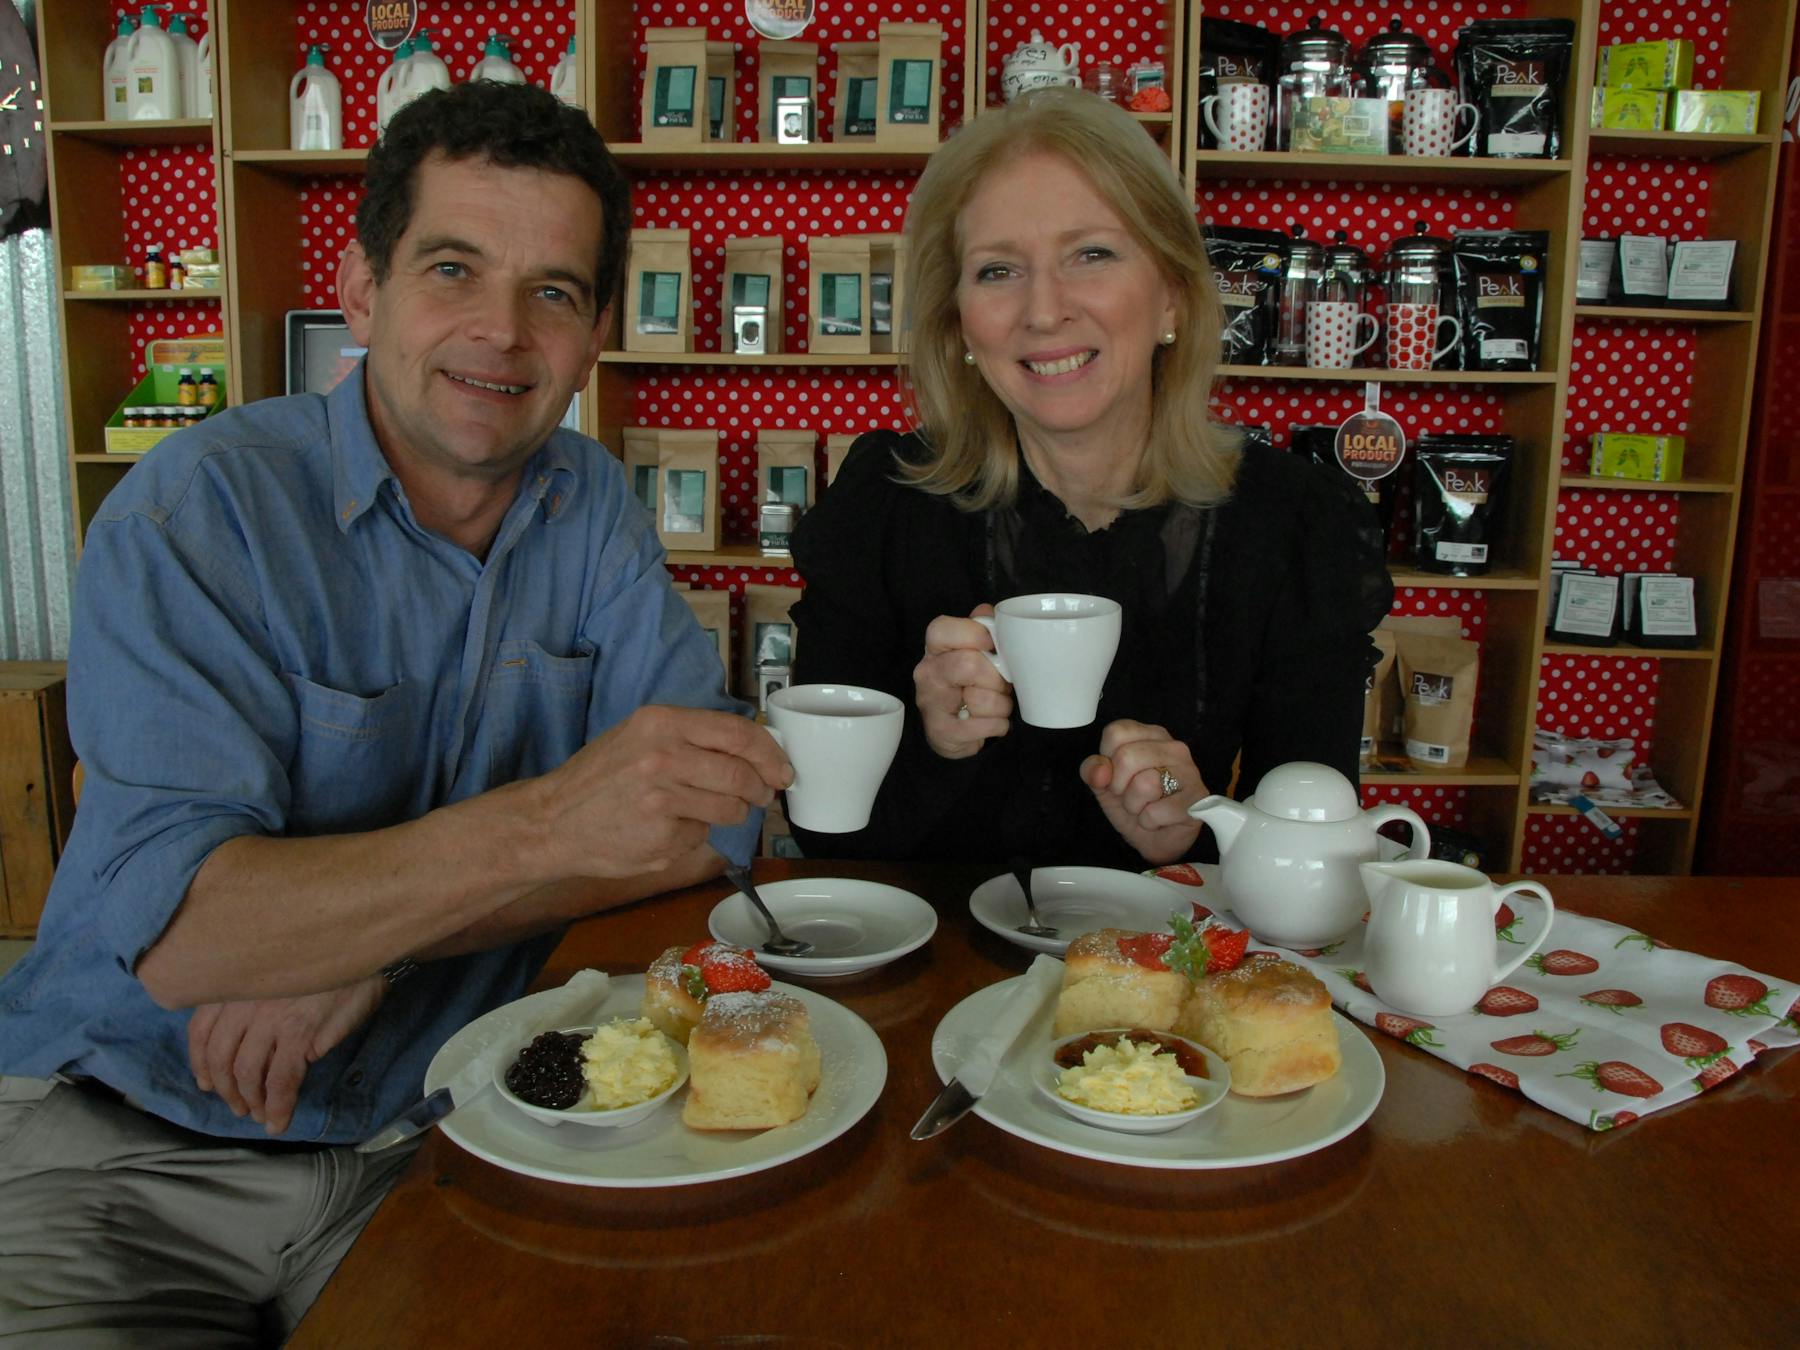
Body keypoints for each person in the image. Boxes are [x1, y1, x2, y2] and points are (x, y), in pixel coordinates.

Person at [0, 81, 787, 1344]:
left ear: (595, 335)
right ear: (363, 293)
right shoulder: (198, 512)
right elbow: (189, 938)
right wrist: (552, 826)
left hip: (436, 1140)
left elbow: (712, 825)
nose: (503, 332)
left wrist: (369, 950)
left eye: (553, 292)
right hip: (121, 1138)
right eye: (453, 268)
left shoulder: (590, 504)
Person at [789, 87, 1392, 870]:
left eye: (1092, 254)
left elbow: (1317, 862)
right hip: (930, 945)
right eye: (998, 269)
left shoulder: (1292, 522)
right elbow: (823, 842)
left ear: (1172, 294)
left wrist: (1196, 832)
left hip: (1174, 948)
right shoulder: (885, 503)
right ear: (958, 321)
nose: (1044, 311)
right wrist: (937, 747)